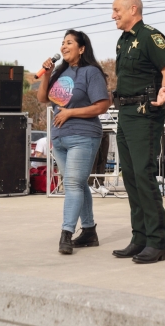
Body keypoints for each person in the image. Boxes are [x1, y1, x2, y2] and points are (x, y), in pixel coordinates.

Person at [111, 0, 165, 264]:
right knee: (130, 177)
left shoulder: (150, 36)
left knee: (143, 173)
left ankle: (157, 242)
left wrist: (164, 89)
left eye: (117, 10)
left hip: (144, 113)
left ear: (132, 9)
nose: (113, 15)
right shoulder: (123, 40)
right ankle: (139, 238)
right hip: (125, 112)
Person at [37, 29, 109, 255]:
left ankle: (66, 233)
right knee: (78, 184)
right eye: (62, 43)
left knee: (72, 184)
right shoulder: (60, 73)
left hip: (83, 135)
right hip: (59, 138)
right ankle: (89, 231)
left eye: (69, 42)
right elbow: (42, 99)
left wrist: (70, 113)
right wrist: (47, 74)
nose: (64, 46)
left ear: (82, 48)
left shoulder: (91, 73)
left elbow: (102, 106)